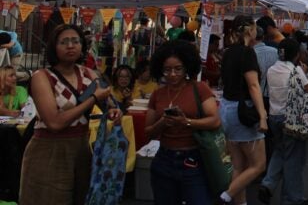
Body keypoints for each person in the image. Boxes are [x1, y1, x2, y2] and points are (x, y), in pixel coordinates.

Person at [19, 24, 120, 204]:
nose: (71, 46)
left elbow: (107, 100)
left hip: (81, 149)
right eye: (63, 42)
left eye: (75, 41)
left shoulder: (89, 73)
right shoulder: (42, 77)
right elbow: (55, 123)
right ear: (53, 47)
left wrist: (112, 109)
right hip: (48, 151)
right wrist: (92, 99)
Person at [145, 40, 221, 204]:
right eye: (167, 70)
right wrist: (163, 123)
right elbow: (149, 131)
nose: (172, 74)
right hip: (164, 160)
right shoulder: (158, 94)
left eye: (178, 69)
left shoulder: (199, 88)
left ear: (187, 67)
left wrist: (186, 122)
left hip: (193, 159)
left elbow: (215, 120)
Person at [218, 15, 269, 205]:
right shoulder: (247, 53)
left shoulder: (228, 52)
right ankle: (227, 195)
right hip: (243, 111)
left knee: (239, 166)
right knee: (258, 164)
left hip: (227, 108)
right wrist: (262, 115)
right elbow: (253, 85)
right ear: (250, 30)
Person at [258, 38, 308, 205]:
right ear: (296, 54)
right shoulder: (295, 70)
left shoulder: (272, 69)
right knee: (293, 159)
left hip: (274, 116)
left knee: (280, 151)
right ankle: (293, 198)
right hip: (292, 118)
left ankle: (268, 183)